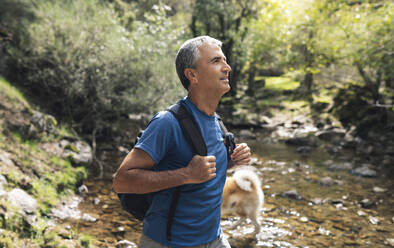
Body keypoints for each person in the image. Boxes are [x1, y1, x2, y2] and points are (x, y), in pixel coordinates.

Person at [113, 36, 252, 248]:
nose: (227, 67)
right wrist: (186, 175)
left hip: (215, 239)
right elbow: (122, 181)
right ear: (192, 75)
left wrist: (232, 160)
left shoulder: (216, 121)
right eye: (216, 61)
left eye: (225, 60)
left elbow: (208, 172)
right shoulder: (167, 123)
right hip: (168, 243)